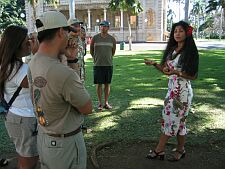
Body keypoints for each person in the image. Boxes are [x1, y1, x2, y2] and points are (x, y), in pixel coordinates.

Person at [28, 11, 92, 169]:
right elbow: (87, 108)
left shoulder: (33, 61)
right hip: (65, 145)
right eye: (68, 31)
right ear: (60, 32)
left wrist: (70, 60)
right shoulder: (62, 73)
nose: (69, 36)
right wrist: (72, 64)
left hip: (44, 136)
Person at [144, 21, 199, 161]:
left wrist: (177, 72)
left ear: (187, 33)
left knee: (170, 121)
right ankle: (181, 150)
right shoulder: (172, 50)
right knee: (179, 123)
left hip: (182, 94)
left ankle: (159, 150)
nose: (177, 34)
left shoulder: (189, 52)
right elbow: (166, 71)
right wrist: (155, 64)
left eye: (180, 31)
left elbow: (193, 76)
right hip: (171, 91)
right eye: (175, 31)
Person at [0, 25, 39, 169]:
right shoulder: (19, 69)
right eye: (27, 41)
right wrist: (37, 54)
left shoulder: (7, 65)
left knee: (26, 157)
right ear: (17, 45)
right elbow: (40, 82)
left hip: (17, 117)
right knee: (28, 161)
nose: (30, 43)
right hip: (24, 120)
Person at [90, 20, 116, 111]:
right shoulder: (95, 38)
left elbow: (113, 51)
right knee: (99, 85)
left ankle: (106, 102)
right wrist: (96, 59)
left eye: (105, 26)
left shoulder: (112, 39)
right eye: (101, 26)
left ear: (108, 28)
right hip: (98, 65)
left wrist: (107, 58)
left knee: (107, 84)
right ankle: (100, 103)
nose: (103, 27)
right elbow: (91, 50)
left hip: (108, 65)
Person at [68, 18, 86, 83]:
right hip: (71, 74)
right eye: (75, 26)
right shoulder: (66, 39)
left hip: (80, 72)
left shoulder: (79, 38)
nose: (78, 28)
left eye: (79, 26)